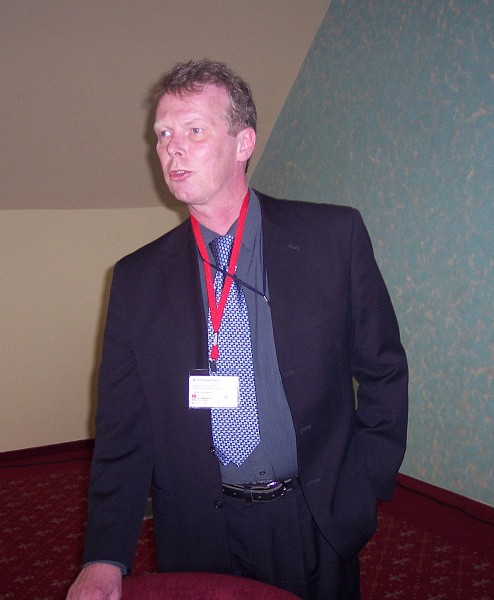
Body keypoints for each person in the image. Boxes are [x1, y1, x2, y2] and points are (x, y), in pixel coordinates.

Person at [67, 59, 408, 600]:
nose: (172, 149)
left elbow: (384, 370)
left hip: (315, 516)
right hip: (200, 527)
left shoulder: (332, 238)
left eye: (194, 130)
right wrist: (104, 556)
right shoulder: (136, 279)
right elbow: (122, 430)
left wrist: (363, 482)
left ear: (243, 143)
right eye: (163, 134)